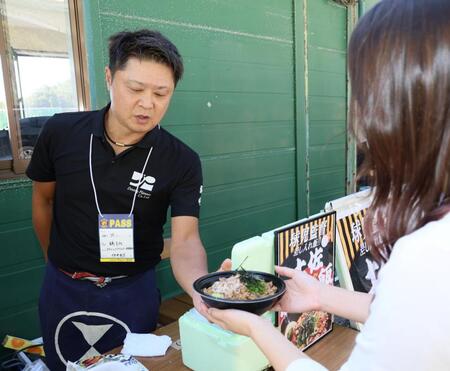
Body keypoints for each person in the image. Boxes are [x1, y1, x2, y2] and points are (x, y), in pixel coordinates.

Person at [205, 0, 450, 370]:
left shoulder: (427, 256)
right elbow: (417, 315)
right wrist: (320, 295)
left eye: (364, 89)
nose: (359, 115)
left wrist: (257, 329)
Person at [27, 29, 230, 370]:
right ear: (109, 77)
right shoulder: (61, 133)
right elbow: (43, 202)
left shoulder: (181, 160)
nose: (147, 103)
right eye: (135, 89)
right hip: (63, 286)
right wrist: (56, 262)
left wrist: (200, 290)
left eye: (161, 93)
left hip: (134, 288)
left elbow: (185, 240)